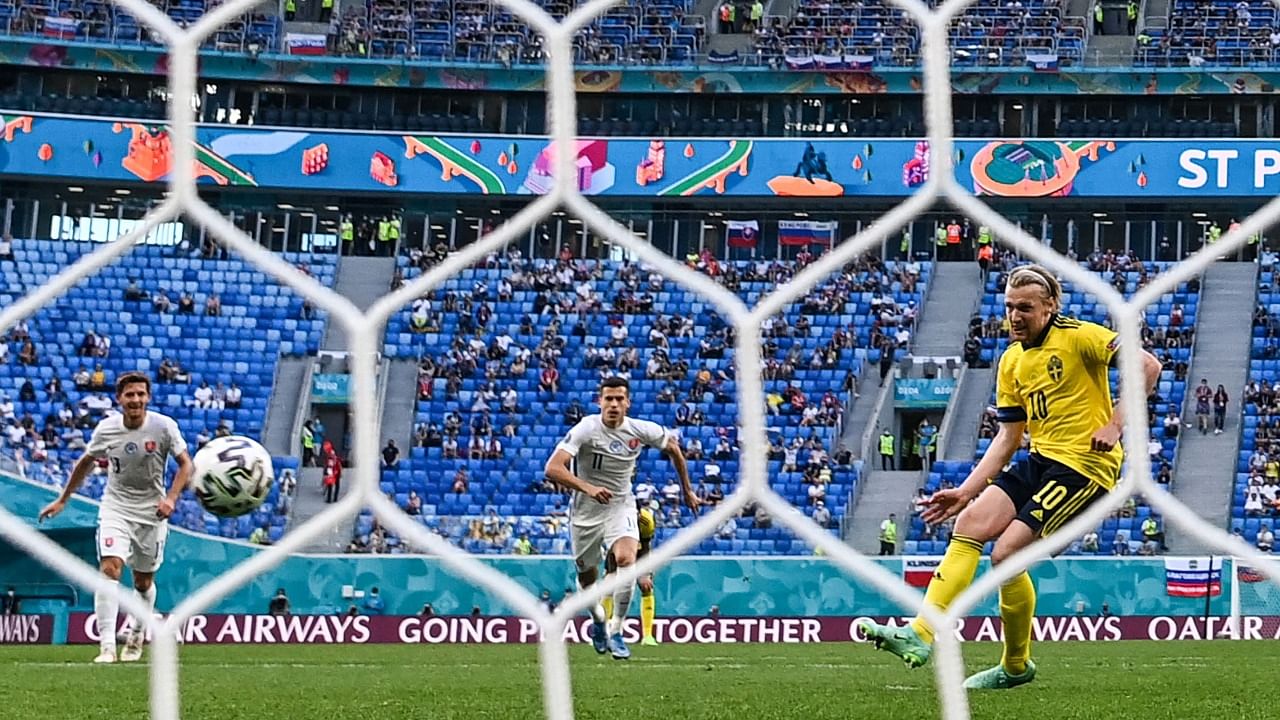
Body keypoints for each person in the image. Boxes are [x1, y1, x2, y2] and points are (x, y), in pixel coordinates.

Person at [861, 264, 1161, 689]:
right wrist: (966, 491)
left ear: (1050, 307)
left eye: (1025, 308)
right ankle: (921, 633)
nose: (1015, 316)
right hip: (1040, 460)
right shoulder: (1011, 361)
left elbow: (1147, 366)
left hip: (1084, 467)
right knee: (968, 526)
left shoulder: (1079, 335)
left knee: (1005, 556)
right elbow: (1007, 439)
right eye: (1009, 307)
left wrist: (1115, 423)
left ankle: (1015, 665)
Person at [39, 372, 194, 664]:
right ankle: (107, 648)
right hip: (116, 508)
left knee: (143, 583)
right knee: (110, 569)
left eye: (140, 394)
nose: (135, 400)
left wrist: (171, 498)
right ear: (119, 399)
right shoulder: (106, 429)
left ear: (148, 397)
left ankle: (136, 633)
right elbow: (85, 462)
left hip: (152, 513)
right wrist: (63, 499)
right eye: (129, 395)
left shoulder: (164, 427)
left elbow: (186, 465)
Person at [543, 377, 698, 660]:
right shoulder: (587, 428)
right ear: (599, 401)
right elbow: (552, 468)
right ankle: (600, 621)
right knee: (588, 581)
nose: (613, 404)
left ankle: (617, 630)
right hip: (585, 513)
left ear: (628, 403)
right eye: (608, 399)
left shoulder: (639, 429)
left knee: (627, 559)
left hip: (621, 506)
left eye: (619, 399)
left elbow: (673, 447)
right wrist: (588, 488)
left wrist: (687, 490)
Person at [602, 500, 661, 647]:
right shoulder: (614, 520)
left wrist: (644, 572)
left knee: (646, 586)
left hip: (639, 550)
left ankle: (647, 636)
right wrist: (612, 569)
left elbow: (646, 546)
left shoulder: (646, 521)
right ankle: (602, 633)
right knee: (609, 585)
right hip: (617, 548)